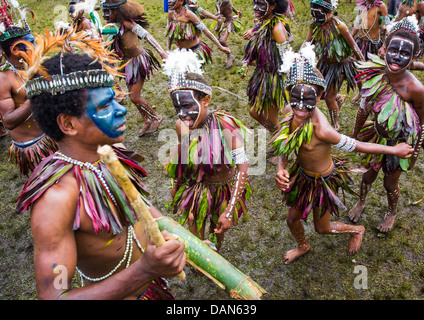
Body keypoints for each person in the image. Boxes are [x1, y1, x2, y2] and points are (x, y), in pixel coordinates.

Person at [15, 32, 186, 300]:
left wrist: (182, 240)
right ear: (69, 124)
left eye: (116, 99)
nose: (122, 110)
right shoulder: (56, 200)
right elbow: (54, 297)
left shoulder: (107, 153)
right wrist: (144, 270)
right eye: (106, 105)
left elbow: (140, 206)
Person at [271, 44, 414, 264]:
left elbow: (358, 145)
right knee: (292, 220)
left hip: (322, 182)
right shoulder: (289, 111)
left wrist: (393, 149)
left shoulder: (323, 130)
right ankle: (302, 245)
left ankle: (357, 230)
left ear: (319, 96)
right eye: (294, 96)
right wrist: (281, 167)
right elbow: (284, 143)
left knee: (323, 228)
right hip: (302, 176)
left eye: (307, 99)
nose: (299, 106)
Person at [163, 49, 252, 251]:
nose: (183, 114)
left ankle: (215, 258)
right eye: (177, 108)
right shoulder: (181, 126)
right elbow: (182, 159)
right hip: (196, 189)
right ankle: (199, 261)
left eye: (187, 106)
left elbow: (243, 167)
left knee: (217, 232)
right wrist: (176, 185)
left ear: (206, 100)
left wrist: (228, 212)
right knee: (195, 233)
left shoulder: (226, 126)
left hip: (223, 190)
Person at [348, 16, 424, 233]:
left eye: (404, 54)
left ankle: (392, 211)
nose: (396, 57)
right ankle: (361, 201)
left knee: (390, 183)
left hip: (400, 143)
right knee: (368, 174)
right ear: (384, 48)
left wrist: (412, 154)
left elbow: (422, 125)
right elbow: (363, 108)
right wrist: (355, 137)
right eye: (393, 50)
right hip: (376, 134)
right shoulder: (376, 75)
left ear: (412, 58)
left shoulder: (416, 90)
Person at [0, 4, 58, 176]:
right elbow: (8, 122)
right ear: (15, 50)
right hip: (33, 147)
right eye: (31, 42)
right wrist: (34, 95)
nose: (36, 44)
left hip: (50, 135)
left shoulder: (33, 65)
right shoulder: (4, 79)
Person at [101, 0, 166, 137]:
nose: (105, 15)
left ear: (117, 11)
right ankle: (147, 119)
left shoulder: (127, 24)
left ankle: (155, 117)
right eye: (103, 12)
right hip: (128, 63)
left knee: (135, 97)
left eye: (108, 12)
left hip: (139, 61)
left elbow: (147, 36)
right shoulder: (113, 27)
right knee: (133, 97)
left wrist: (161, 52)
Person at [305, 0, 365, 131]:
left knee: (328, 97)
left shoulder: (340, 26)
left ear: (330, 12)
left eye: (320, 16)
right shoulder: (314, 25)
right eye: (314, 15)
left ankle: (335, 123)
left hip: (340, 66)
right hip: (324, 64)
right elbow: (307, 43)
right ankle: (339, 98)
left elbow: (354, 46)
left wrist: (364, 64)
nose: (317, 20)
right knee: (317, 92)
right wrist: (300, 56)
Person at [240, 0, 291, 134]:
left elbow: (287, 57)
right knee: (256, 113)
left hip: (274, 78)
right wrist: (246, 63)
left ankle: (282, 142)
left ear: (273, 6)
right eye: (255, 2)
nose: (256, 7)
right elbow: (254, 48)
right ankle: (279, 139)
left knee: (265, 116)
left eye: (262, 4)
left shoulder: (277, 28)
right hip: (262, 73)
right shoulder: (262, 22)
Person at [166, 0, 230, 67]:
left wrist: (220, 47)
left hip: (193, 52)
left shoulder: (188, 14)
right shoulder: (171, 13)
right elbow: (169, 34)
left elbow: (205, 30)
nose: (169, 2)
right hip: (181, 52)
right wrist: (168, 51)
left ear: (181, 1)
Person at [210, 0, 243, 69]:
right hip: (222, 22)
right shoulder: (219, 2)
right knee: (220, 42)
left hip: (228, 23)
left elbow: (220, 13)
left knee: (222, 40)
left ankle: (229, 56)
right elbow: (229, 5)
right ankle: (230, 55)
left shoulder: (224, 1)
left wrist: (206, 15)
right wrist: (236, 11)